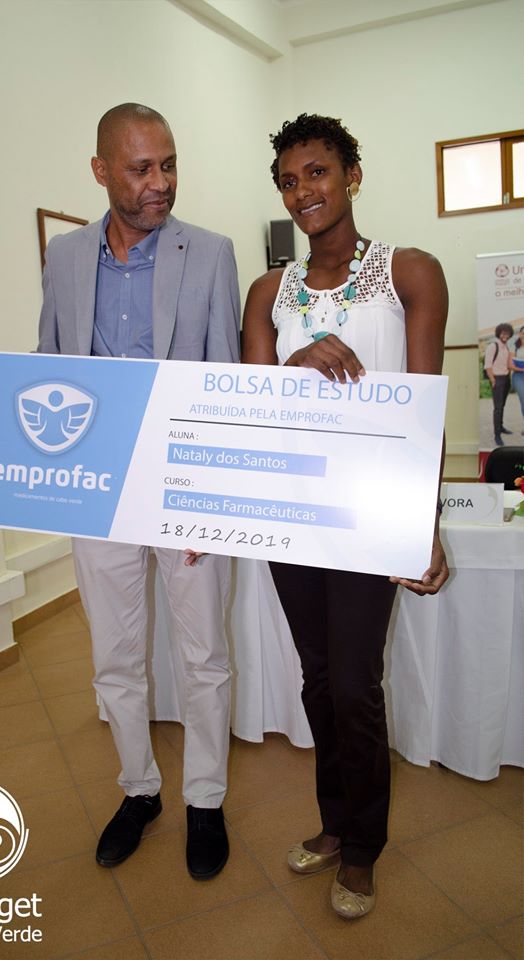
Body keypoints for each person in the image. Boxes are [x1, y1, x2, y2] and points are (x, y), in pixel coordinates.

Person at [0, 103, 240, 880]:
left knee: (204, 654)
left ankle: (206, 799)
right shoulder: (65, 257)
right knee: (114, 653)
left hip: (181, 483)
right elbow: (51, 360)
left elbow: (225, 377)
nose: (162, 182)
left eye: (169, 164)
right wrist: (6, 428)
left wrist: (211, 499)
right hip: (95, 488)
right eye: (141, 168)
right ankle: (140, 790)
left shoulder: (210, 253)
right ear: (100, 171)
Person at [241, 113, 449, 919]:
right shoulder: (270, 292)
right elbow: (256, 408)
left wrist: (422, 522)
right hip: (293, 512)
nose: (303, 192)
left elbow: (425, 411)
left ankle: (363, 848)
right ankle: (334, 824)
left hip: (370, 513)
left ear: (353, 175)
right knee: (319, 678)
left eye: (318, 172)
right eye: (288, 181)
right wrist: (295, 363)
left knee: (357, 682)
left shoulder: (409, 273)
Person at [484, 323, 514, 446]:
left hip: (506, 379)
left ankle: (501, 427)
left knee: (502, 406)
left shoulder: (506, 347)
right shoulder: (493, 346)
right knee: (498, 408)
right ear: (499, 333)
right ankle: (497, 435)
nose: (505, 335)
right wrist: (493, 380)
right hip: (497, 379)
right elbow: (488, 366)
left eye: (507, 333)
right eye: (503, 333)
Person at [508, 325, 524, 430]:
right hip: (519, 376)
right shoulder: (514, 347)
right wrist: (521, 369)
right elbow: (510, 365)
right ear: (520, 334)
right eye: (523, 333)